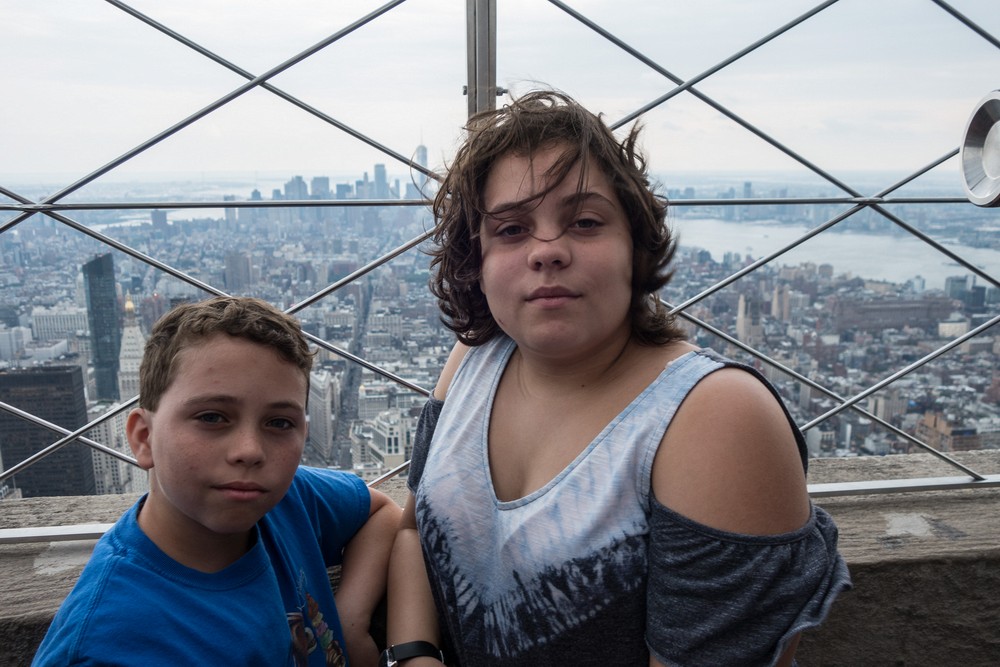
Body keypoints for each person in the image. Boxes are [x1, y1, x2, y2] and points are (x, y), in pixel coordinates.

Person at [385, 90, 851, 666]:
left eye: (584, 222)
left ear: (635, 244)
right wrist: (412, 655)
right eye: (510, 229)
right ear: (475, 259)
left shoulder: (713, 418)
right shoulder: (473, 359)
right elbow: (411, 531)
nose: (547, 251)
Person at [33, 296, 401, 667]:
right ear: (144, 438)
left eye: (279, 423)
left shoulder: (287, 500)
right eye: (212, 417)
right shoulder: (107, 648)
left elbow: (381, 512)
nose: (249, 450)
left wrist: (351, 622)